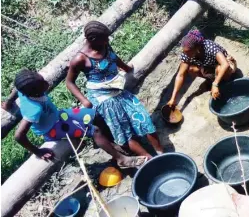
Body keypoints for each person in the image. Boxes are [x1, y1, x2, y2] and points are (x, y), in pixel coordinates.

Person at [3, 70, 145, 168]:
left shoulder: (25, 88)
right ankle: (121, 159)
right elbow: (19, 135)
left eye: (43, 80)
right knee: (94, 130)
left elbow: (17, 88)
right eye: (43, 84)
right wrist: (37, 152)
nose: (47, 83)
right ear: (34, 91)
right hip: (53, 129)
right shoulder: (34, 109)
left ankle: (113, 143)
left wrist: (8, 102)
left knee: (94, 114)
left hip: (59, 115)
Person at [66, 21, 163, 158]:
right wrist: (84, 101)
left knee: (144, 119)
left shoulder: (103, 44)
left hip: (119, 90)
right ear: (93, 39)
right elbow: (69, 82)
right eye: (104, 38)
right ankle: (150, 159)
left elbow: (113, 56)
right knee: (124, 132)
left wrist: (126, 67)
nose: (107, 40)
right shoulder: (80, 59)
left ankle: (161, 154)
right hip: (104, 99)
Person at [167, 30, 237, 107]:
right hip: (209, 66)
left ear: (197, 48)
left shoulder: (209, 47)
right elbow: (180, 75)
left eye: (188, 52)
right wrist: (173, 98)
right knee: (191, 69)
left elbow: (225, 64)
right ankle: (212, 80)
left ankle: (223, 83)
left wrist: (215, 84)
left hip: (225, 66)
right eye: (184, 52)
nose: (185, 54)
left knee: (219, 69)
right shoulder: (187, 53)